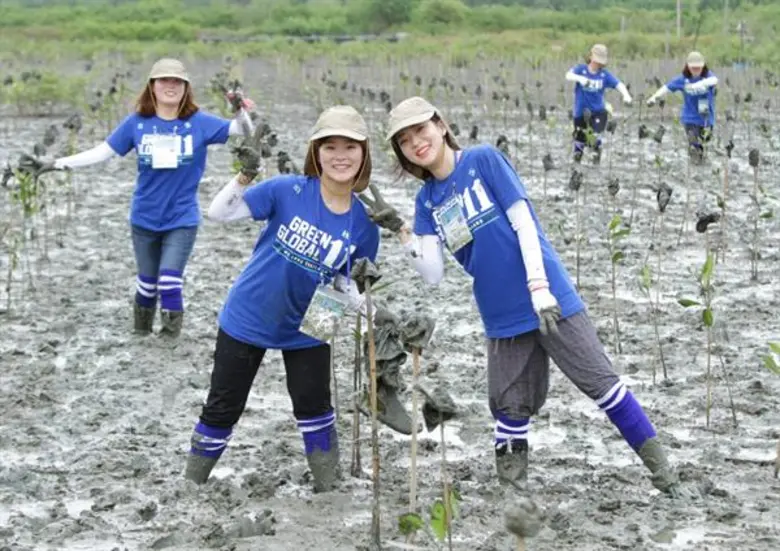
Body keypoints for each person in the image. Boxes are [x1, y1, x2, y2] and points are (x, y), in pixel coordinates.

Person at [362, 96, 682, 496]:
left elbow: (524, 224)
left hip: (549, 298)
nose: (416, 143)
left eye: (421, 130)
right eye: (405, 140)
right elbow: (432, 274)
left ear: (440, 126)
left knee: (604, 387)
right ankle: (515, 497)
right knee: (509, 408)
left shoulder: (483, 161)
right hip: (501, 314)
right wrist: (402, 231)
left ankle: (665, 477)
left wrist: (540, 287)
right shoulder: (428, 201)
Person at [184, 106, 379, 493]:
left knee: (315, 408)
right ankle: (190, 485)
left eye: (350, 147)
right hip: (248, 315)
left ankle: (327, 488)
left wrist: (370, 315)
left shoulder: (364, 223)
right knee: (223, 406)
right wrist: (245, 174)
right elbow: (219, 212)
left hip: (309, 324)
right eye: (330, 147)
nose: (340, 156)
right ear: (316, 153)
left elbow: (347, 283)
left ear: (363, 155)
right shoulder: (288, 190)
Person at [47, 58, 254, 337]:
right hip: (144, 217)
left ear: (185, 88)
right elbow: (101, 153)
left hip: (181, 218)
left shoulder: (199, 123)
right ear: (152, 86)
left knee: (169, 281)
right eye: (164, 80)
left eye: (177, 81)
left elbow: (243, 130)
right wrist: (55, 163)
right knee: (146, 284)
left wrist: (240, 110)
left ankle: (169, 340)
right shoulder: (136, 123)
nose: (171, 86)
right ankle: (141, 333)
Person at [565, 44, 632, 164]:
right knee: (580, 139)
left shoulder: (604, 75)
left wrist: (626, 95)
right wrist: (580, 79)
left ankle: (596, 166)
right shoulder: (581, 70)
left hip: (598, 113)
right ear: (590, 57)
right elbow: (568, 75)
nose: (598, 64)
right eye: (596, 61)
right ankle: (576, 165)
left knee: (594, 138)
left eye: (600, 62)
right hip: (580, 113)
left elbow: (619, 84)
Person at [646, 51, 717, 163]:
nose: (696, 70)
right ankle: (694, 159)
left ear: (703, 66)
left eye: (698, 67)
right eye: (693, 68)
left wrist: (696, 86)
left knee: (704, 142)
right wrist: (654, 97)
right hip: (689, 115)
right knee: (694, 143)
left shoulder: (708, 76)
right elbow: (667, 87)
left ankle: (701, 161)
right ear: (688, 67)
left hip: (705, 114)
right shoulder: (683, 79)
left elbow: (714, 80)